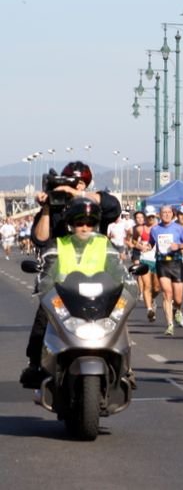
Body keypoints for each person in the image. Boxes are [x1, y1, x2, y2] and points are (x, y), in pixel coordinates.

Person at [21, 161, 121, 388]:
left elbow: (114, 207)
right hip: (61, 283)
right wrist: (47, 208)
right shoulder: (54, 208)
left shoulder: (96, 206)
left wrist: (78, 195)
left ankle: (123, 367)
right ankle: (35, 363)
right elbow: (39, 238)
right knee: (43, 318)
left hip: (99, 282)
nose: (84, 226)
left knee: (117, 319)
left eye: (79, 184)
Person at [149, 205, 183, 335]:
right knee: (167, 293)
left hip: (176, 263)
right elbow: (151, 244)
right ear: (159, 214)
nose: (166, 214)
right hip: (162, 263)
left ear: (172, 214)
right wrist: (145, 246)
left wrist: (178, 245)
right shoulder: (155, 229)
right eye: (163, 212)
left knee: (178, 299)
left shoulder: (179, 228)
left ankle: (177, 309)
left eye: (168, 212)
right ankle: (170, 324)